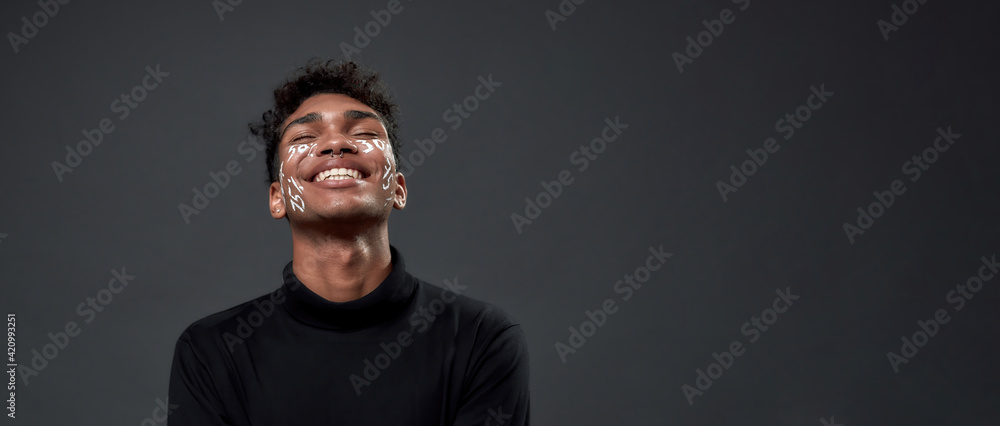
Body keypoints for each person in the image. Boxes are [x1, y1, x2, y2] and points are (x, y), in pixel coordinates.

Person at [167, 59, 530, 425]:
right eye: (304, 138)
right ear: (277, 199)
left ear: (398, 189)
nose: (336, 143)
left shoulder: (482, 338)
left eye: (364, 133)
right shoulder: (210, 351)